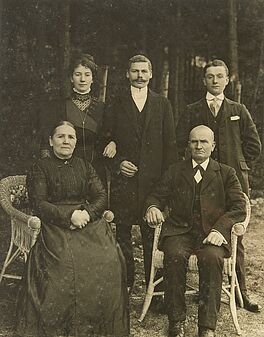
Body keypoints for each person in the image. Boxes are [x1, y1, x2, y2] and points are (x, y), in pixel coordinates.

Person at [14, 121, 129, 337]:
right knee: (63, 261)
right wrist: (69, 216)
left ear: (76, 142)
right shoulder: (40, 167)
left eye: (71, 137)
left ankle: (97, 322)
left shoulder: (85, 166)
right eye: (60, 136)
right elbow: (39, 203)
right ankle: (64, 325)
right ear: (51, 141)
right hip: (55, 223)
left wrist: (86, 213)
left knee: (109, 257)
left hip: (86, 220)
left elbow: (101, 196)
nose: (66, 141)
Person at [145, 125, 246, 337]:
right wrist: (152, 207)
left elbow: (239, 207)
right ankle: (176, 321)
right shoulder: (175, 171)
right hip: (180, 232)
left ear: (213, 146)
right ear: (189, 144)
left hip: (212, 235)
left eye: (204, 142)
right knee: (174, 256)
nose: (198, 146)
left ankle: (207, 327)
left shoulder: (226, 173)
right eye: (194, 142)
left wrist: (220, 230)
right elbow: (156, 196)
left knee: (211, 258)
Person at [177, 59, 261, 312]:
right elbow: (181, 142)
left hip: (231, 182)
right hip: (200, 182)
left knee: (236, 236)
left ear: (227, 80)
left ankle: (240, 293)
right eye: (210, 76)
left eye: (219, 76)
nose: (215, 81)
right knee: (200, 228)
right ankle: (205, 291)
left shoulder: (238, 109)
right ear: (204, 80)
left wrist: (238, 167)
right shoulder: (192, 109)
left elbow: (253, 145)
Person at [104, 54, 177, 294]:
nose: (139, 76)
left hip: (153, 185)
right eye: (135, 71)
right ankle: (125, 285)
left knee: (152, 235)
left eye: (144, 71)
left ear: (151, 74)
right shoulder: (115, 102)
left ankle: (153, 288)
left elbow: (170, 147)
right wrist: (118, 163)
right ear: (127, 74)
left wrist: (166, 185)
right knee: (123, 231)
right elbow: (104, 142)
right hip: (124, 183)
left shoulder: (162, 104)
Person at [39, 52, 116, 185]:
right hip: (64, 167)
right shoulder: (60, 106)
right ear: (71, 78)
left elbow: (110, 136)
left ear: (93, 79)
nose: (82, 79)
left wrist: (113, 143)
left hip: (95, 168)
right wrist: (48, 168)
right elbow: (46, 140)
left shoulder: (102, 108)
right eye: (78, 74)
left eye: (87, 75)